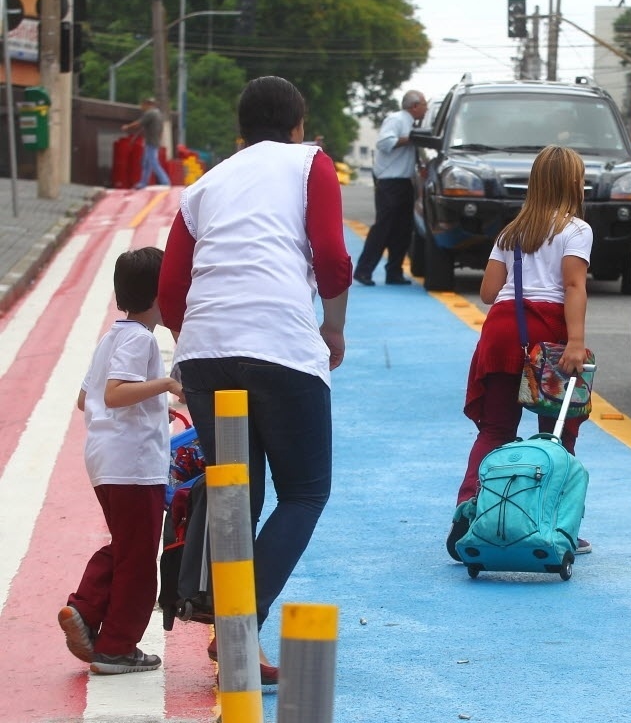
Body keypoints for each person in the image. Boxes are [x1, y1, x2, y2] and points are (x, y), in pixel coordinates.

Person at [157, 75, 351, 684]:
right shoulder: (311, 163)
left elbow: (169, 292)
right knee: (305, 492)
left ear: (241, 131)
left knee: (240, 493)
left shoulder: (205, 185)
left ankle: (238, 638)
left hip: (206, 353)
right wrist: (333, 330)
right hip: (281, 347)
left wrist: (197, 349)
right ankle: (238, 622)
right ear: (299, 126)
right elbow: (332, 258)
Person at [446, 145, 593, 561]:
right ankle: (552, 524)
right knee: (557, 435)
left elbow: (489, 292)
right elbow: (573, 286)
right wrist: (577, 342)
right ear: (571, 184)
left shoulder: (510, 233)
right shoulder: (576, 230)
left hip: (502, 333)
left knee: (494, 431)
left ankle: (471, 513)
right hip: (549, 338)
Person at [59, 247, 183, 675]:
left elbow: (86, 399)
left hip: (105, 461)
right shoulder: (140, 338)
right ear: (157, 294)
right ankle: (116, 646)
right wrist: (165, 384)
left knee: (128, 546)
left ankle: (86, 608)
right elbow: (114, 393)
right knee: (138, 555)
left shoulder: (111, 337)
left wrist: (151, 404)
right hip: (133, 466)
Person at [353, 90, 429, 286]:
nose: (426, 109)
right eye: (424, 105)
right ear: (414, 106)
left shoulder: (414, 124)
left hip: (405, 181)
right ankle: (363, 270)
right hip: (389, 181)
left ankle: (394, 272)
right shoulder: (396, 120)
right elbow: (384, 143)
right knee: (383, 227)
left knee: (403, 228)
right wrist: (411, 138)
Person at [122, 97, 171, 189]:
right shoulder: (158, 114)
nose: (142, 107)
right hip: (154, 140)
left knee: (153, 162)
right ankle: (143, 182)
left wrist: (127, 127)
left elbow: (139, 123)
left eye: (143, 105)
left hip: (151, 141)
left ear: (147, 105)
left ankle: (165, 181)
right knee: (147, 163)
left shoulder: (150, 113)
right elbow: (154, 129)